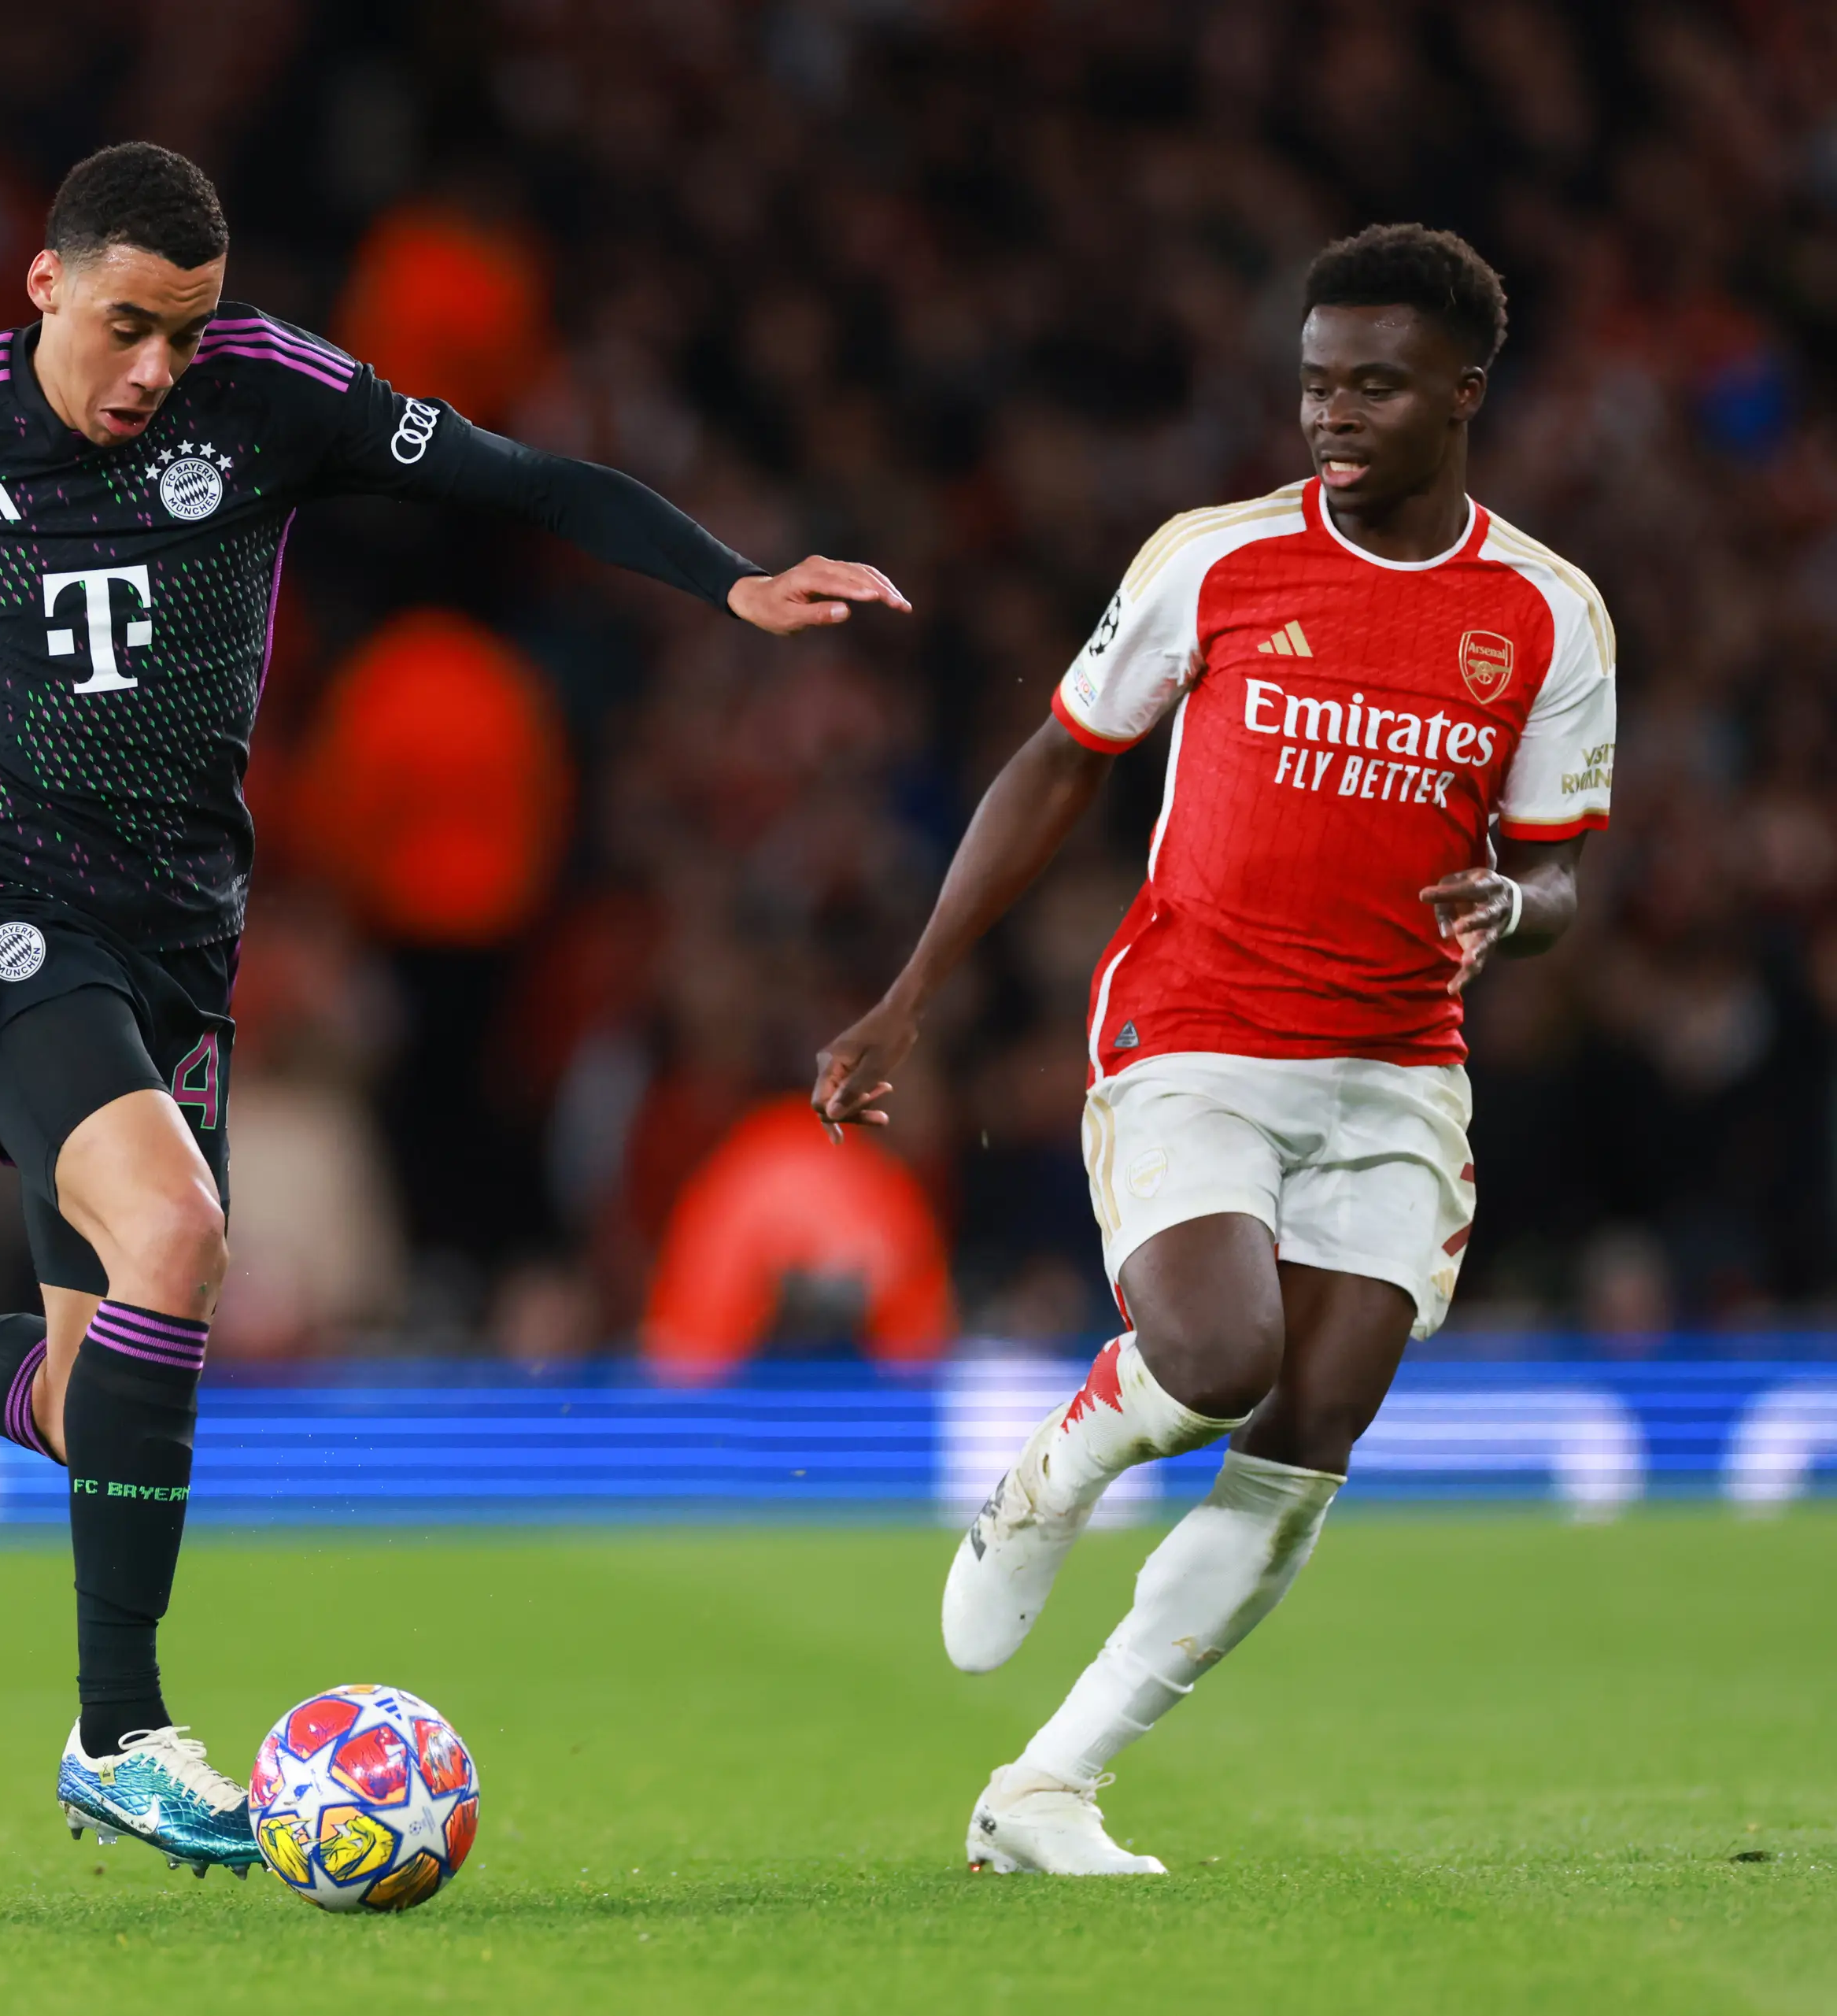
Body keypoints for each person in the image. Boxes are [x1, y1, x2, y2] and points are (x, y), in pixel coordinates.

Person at [0, 141, 906, 1870]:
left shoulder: (274, 396)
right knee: (180, 1226)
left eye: (187, 334)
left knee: (96, 1391)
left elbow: (524, 482)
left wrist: (727, 576)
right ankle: (119, 1730)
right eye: (131, 324)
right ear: (47, 286)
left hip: (179, 941)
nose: (158, 368)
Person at [813, 224, 1613, 1874]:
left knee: (1311, 1429)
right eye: (1318, 381)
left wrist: (1516, 912)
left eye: (1375, 386)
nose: (1333, 413)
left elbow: (1563, 871)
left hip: (1401, 1067)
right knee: (1221, 1350)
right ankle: (1063, 1465)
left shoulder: (1547, 613)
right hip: (1197, 1030)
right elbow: (1059, 759)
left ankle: (1050, 1785)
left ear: (1462, 396)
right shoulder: (1216, 560)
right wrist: (908, 990)